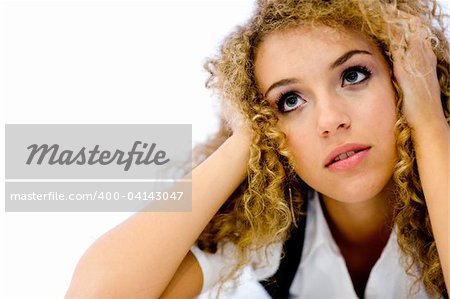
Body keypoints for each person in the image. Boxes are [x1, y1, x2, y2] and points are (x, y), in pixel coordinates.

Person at [65, 0, 449, 298]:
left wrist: (430, 121)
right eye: (290, 101)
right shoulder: (275, 224)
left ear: (403, 79)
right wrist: (247, 137)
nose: (330, 120)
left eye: (353, 75)